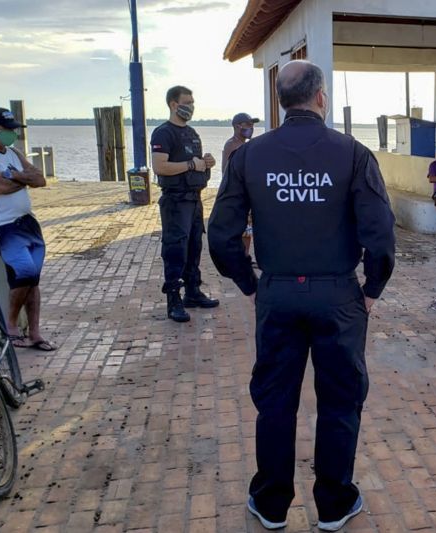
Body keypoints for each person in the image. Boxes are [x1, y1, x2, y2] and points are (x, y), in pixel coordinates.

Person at [208, 60, 395, 531]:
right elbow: (380, 235)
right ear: (321, 97)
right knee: (339, 400)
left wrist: (250, 285)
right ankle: (333, 505)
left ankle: (271, 504)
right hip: (337, 296)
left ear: (279, 101)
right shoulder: (353, 154)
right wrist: (371, 289)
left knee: (275, 401)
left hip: (278, 294)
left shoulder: (248, 157)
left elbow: (221, 236)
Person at [0, 107, 55, 351]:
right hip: (4, 226)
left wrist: (14, 175)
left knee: (33, 279)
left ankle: (35, 333)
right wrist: (22, 178)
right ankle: (11, 326)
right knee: (23, 273)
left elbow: (41, 180)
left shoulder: (13, 153)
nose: (12, 134)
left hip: (28, 222)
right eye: (7, 129)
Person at [151, 85, 219, 323]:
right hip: (175, 200)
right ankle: (173, 299)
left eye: (192, 102)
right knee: (175, 249)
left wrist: (205, 163)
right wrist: (191, 165)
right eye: (186, 102)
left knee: (194, 246)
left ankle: (193, 291)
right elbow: (160, 166)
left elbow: (196, 163)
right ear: (173, 104)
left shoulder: (192, 133)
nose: (190, 106)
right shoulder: (163, 133)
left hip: (194, 198)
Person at [221, 112, 260, 258]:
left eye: (252, 125)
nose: (251, 128)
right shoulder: (232, 144)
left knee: (248, 228)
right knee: (242, 227)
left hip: (246, 192)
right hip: (237, 193)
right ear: (238, 126)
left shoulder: (244, 145)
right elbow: (228, 171)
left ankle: (245, 256)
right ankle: (241, 257)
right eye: (248, 125)